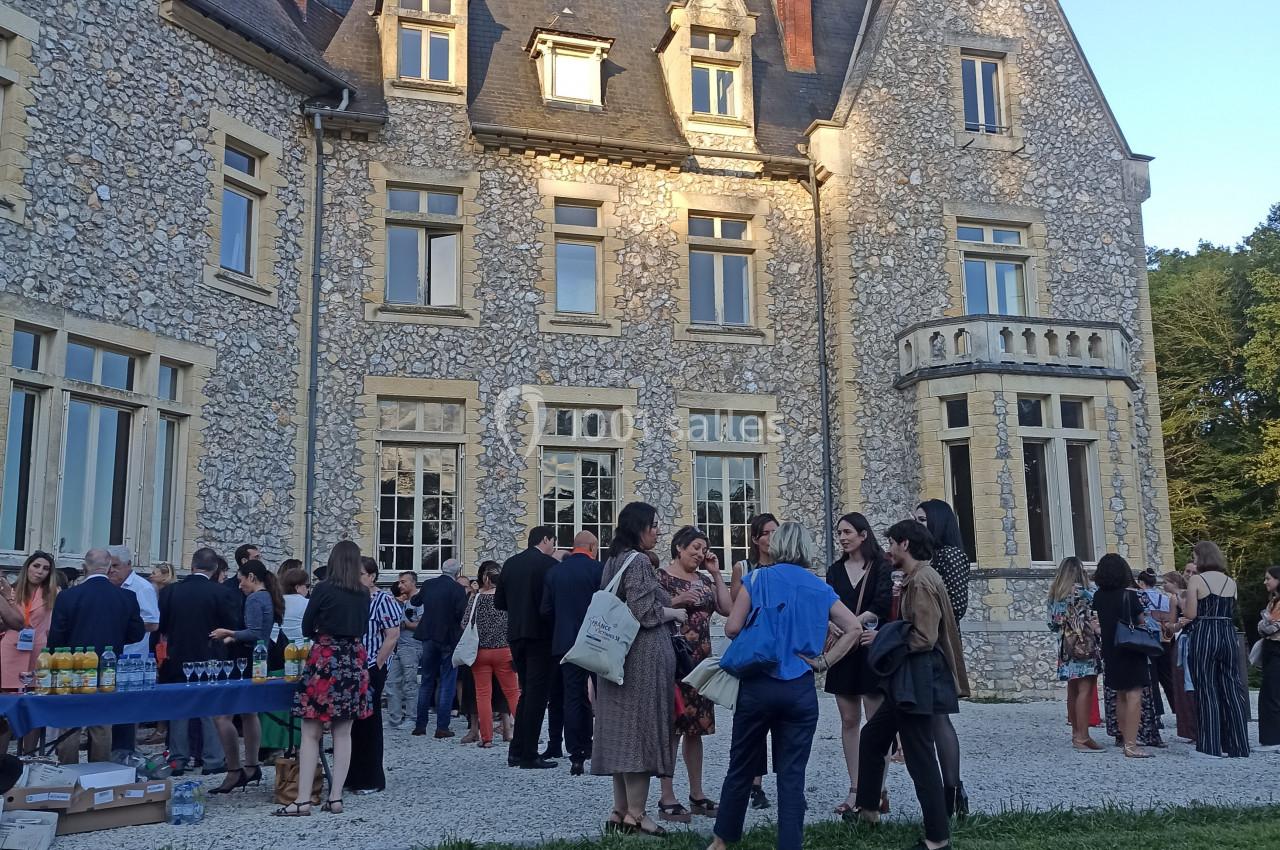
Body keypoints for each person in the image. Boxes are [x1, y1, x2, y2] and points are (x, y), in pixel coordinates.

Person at [710, 521, 863, 850]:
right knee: (792, 775)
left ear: (777, 546)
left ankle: (721, 842)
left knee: (741, 765)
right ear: (805, 548)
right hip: (800, 688)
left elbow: (732, 629)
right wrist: (825, 661)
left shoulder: (757, 578)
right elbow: (852, 627)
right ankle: (790, 844)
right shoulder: (818, 586)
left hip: (758, 684)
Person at [845, 520, 963, 850]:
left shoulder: (923, 581)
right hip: (909, 680)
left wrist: (883, 637)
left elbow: (924, 638)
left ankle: (938, 839)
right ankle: (868, 810)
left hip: (918, 679)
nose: (889, 550)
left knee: (920, 757)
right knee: (872, 736)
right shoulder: (916, 578)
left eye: (893, 544)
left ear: (906, 545)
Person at [593, 502, 686, 836]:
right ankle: (637, 814)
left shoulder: (614, 560)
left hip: (616, 657)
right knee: (641, 734)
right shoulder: (639, 562)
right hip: (641, 660)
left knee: (621, 735)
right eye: (654, 525)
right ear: (639, 527)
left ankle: (619, 811)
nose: (657, 531)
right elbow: (644, 612)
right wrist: (673, 614)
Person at [275, 540, 372, 817]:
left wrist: (323, 637)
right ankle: (336, 797)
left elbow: (306, 626)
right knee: (343, 732)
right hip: (353, 658)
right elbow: (363, 628)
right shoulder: (363, 593)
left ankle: (303, 800)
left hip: (326, 657)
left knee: (311, 731)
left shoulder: (324, 589)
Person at [657, 526, 731, 822]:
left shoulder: (703, 579)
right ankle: (667, 796)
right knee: (671, 730)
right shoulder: (660, 576)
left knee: (695, 731)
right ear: (679, 547)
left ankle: (697, 794)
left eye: (703, 550)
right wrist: (678, 601)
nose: (700, 554)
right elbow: (648, 610)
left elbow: (726, 609)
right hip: (671, 662)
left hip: (699, 664)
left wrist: (714, 574)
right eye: (695, 548)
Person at [46, 548, 145, 764]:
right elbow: (136, 633)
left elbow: (56, 637)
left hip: (72, 665)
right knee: (101, 723)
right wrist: (115, 639)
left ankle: (68, 771)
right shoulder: (126, 596)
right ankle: (99, 773)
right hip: (108, 665)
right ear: (109, 567)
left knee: (70, 723)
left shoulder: (68, 596)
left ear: (84, 568)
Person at [825, 513, 893, 815]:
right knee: (849, 721)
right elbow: (826, 605)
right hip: (843, 651)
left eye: (848, 531)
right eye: (839, 532)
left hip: (869, 648)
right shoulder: (835, 570)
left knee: (876, 723)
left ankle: (877, 789)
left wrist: (852, 624)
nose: (842, 537)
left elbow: (881, 605)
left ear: (864, 535)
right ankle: (855, 788)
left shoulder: (881, 567)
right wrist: (834, 626)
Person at [159, 548, 240, 775]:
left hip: (178, 654)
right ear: (215, 569)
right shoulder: (220, 592)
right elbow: (230, 626)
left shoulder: (171, 592)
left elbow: (162, 626)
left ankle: (178, 758)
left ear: (192, 565)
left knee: (179, 708)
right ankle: (213, 759)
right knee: (210, 708)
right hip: (211, 655)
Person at [208, 559, 283, 793]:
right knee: (250, 714)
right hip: (259, 660)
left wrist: (227, 633)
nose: (239, 585)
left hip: (245, 662)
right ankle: (251, 766)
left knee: (222, 716)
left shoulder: (254, 598)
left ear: (251, 577)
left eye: (241, 580)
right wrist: (235, 636)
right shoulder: (268, 597)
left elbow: (254, 632)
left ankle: (234, 768)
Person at [495, 526, 559, 769]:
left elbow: (500, 602)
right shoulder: (549, 566)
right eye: (553, 541)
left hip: (516, 634)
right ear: (545, 539)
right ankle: (529, 754)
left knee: (526, 693)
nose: (554, 547)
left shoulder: (511, 564)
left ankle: (517, 750)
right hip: (541, 636)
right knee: (537, 695)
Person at [541, 530, 604, 774]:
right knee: (604, 695)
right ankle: (602, 749)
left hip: (565, 642)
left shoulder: (555, 572)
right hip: (597, 641)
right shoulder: (599, 570)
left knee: (573, 697)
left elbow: (545, 610)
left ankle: (576, 753)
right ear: (591, 547)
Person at [729, 512, 779, 809]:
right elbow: (736, 608)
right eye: (767, 532)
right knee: (755, 721)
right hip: (754, 651)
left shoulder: (788, 567)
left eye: (776, 531)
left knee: (783, 722)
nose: (772, 537)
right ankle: (755, 784)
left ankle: (788, 783)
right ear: (755, 538)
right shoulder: (744, 567)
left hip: (781, 649)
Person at [1183, 541, 1249, 758]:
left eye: (1194, 556)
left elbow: (1191, 614)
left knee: (1206, 687)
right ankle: (1238, 745)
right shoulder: (1231, 582)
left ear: (1200, 558)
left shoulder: (1196, 579)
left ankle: (1210, 746)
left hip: (1205, 632)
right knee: (1232, 688)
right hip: (1227, 632)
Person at [345, 557, 402, 793]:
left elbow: (392, 634)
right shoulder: (353, 600)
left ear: (372, 576)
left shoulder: (383, 600)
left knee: (369, 721)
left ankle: (371, 778)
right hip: (353, 665)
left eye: (360, 574)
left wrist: (377, 664)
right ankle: (352, 774)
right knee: (351, 722)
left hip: (371, 665)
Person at [1090, 553, 1155, 758]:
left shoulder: (1098, 596)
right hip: (1131, 647)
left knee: (1119, 694)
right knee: (1134, 694)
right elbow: (1141, 622)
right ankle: (1131, 743)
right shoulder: (1130, 595)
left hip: (1110, 647)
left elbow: (1097, 621)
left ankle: (1122, 737)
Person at [106, 545, 160, 757]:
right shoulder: (109, 585)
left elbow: (153, 622)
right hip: (112, 655)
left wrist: (125, 626)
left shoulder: (141, 587)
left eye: (116, 566)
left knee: (126, 708)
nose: (112, 571)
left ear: (129, 565)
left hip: (132, 656)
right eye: (109, 566)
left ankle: (124, 752)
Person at [0, 551, 57, 752]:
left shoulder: (51, 594)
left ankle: (28, 756)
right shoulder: (11, 591)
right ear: (27, 567)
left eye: (45, 568)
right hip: (10, 650)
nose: (40, 571)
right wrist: (7, 599)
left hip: (37, 651)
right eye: (36, 566)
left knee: (33, 707)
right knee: (7, 708)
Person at [1047, 556, 1101, 751]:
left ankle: (1075, 734)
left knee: (1073, 690)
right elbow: (1096, 615)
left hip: (1066, 647)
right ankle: (1083, 736)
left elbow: (1052, 624)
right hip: (1085, 645)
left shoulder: (1055, 594)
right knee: (1086, 690)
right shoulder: (1088, 593)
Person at [411, 558, 467, 738]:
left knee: (426, 680)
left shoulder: (429, 584)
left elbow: (416, 601)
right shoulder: (457, 589)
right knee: (447, 681)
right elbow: (461, 614)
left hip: (428, 635)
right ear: (457, 573)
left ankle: (420, 725)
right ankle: (442, 726)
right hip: (448, 638)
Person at [468, 560, 522, 749]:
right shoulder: (508, 598)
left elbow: (465, 623)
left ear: (484, 578)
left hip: (480, 651)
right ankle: (523, 734)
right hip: (504, 650)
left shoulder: (476, 599)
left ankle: (487, 738)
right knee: (513, 693)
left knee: (483, 695)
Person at [385, 571, 422, 729]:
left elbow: (422, 624)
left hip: (412, 646)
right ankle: (394, 718)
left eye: (403, 582)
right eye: (399, 582)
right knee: (391, 682)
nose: (400, 585)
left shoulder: (419, 601)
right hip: (398, 646)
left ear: (413, 582)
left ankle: (412, 718)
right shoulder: (403, 602)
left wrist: (405, 625)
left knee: (410, 683)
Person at [1256, 566, 1280, 750]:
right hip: (1270, 647)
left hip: (1277, 647)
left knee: (1272, 693)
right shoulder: (1273, 601)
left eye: (1268, 578)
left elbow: (1271, 627)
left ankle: (1273, 739)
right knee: (1268, 691)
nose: (1265, 582)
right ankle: (1269, 737)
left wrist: (1266, 623)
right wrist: (1266, 623)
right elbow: (1264, 625)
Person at [277, 567, 310, 643]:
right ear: (297, 587)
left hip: (277, 648)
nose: (308, 589)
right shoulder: (307, 603)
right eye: (307, 586)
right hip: (301, 648)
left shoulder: (276, 602)